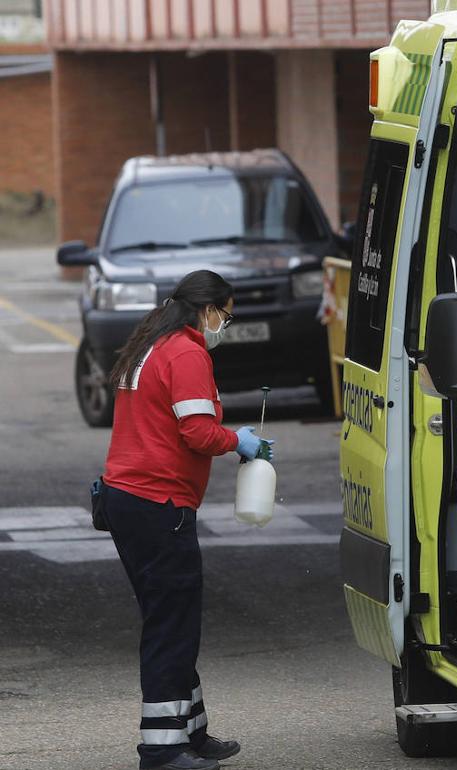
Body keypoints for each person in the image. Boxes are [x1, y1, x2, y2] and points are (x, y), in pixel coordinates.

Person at [99, 270, 273, 770]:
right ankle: (161, 748)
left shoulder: (153, 345)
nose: (226, 323)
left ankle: (190, 731)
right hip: (158, 504)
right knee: (171, 626)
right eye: (227, 314)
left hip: (128, 498)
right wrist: (238, 440)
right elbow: (197, 431)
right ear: (210, 308)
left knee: (173, 620)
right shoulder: (187, 352)